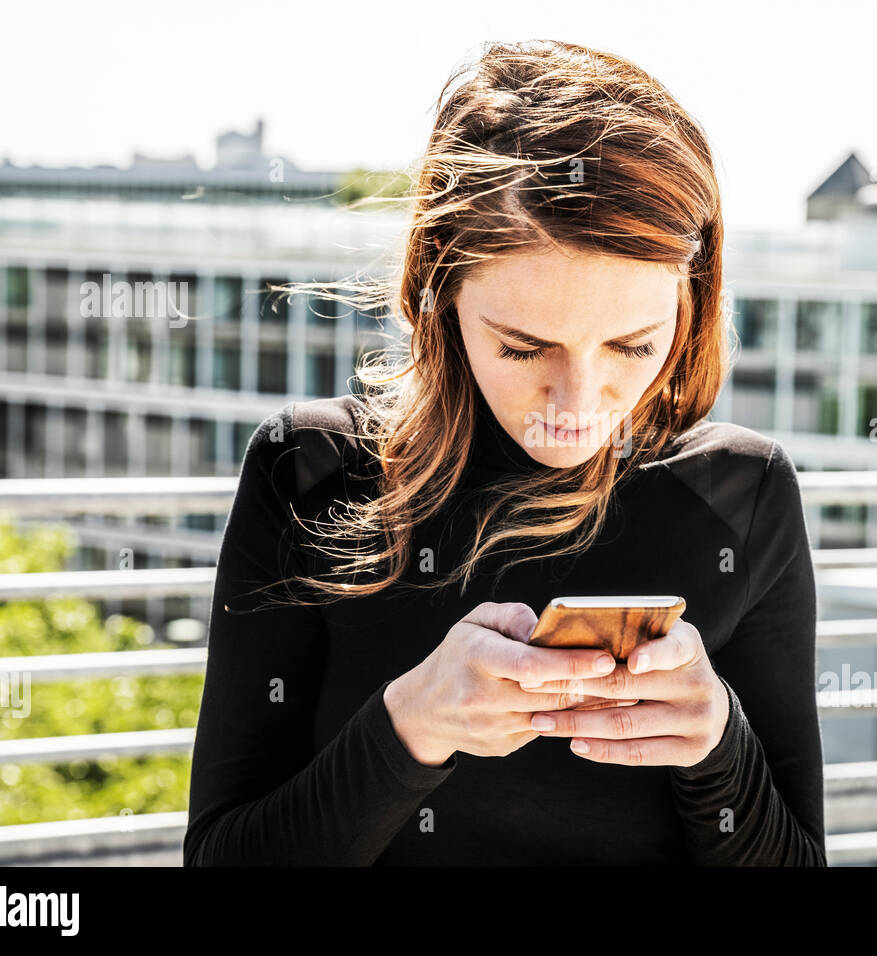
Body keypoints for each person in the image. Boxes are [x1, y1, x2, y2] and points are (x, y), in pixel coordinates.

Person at [183, 38, 825, 866]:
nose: (579, 404)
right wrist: (409, 726)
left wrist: (719, 746)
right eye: (525, 348)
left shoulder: (743, 494)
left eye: (632, 344)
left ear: (691, 301)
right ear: (438, 293)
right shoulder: (308, 470)